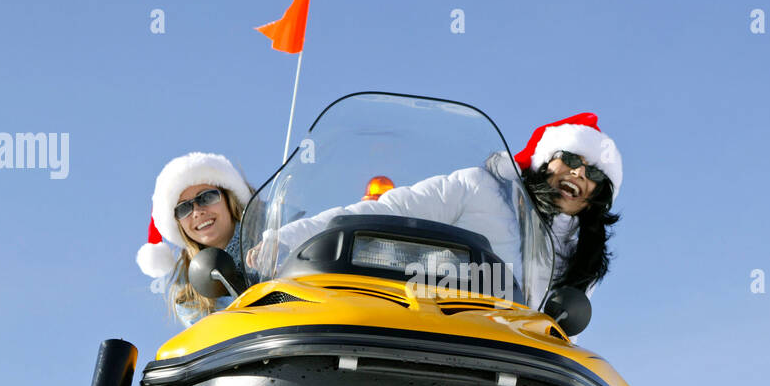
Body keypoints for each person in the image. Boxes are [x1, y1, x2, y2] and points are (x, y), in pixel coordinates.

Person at [248, 113, 623, 302]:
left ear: (597, 196)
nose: (578, 171)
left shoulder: (582, 257)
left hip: (514, 363)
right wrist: (286, 239)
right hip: (436, 337)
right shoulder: (479, 188)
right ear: (545, 161)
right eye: (571, 157)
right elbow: (386, 211)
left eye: (593, 172)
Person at [136, 152, 254, 327]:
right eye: (184, 208)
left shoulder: (275, 229)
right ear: (178, 223)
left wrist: (280, 243)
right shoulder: (190, 296)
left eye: (207, 197)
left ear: (229, 198)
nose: (197, 212)